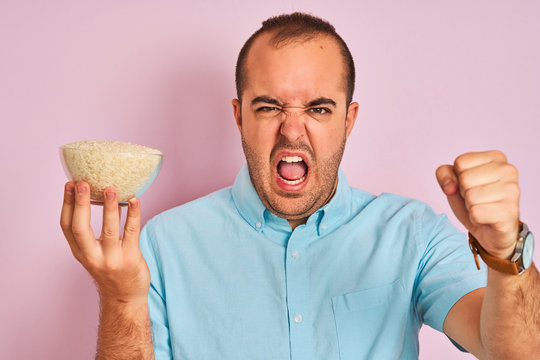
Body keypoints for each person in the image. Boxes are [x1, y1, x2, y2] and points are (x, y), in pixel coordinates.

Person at [60, 12, 539, 359]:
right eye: (269, 107)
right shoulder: (162, 247)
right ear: (239, 116)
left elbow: (518, 351)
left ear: (349, 120)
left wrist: (505, 250)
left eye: (318, 108)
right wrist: (121, 298)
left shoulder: (412, 234)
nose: (292, 130)